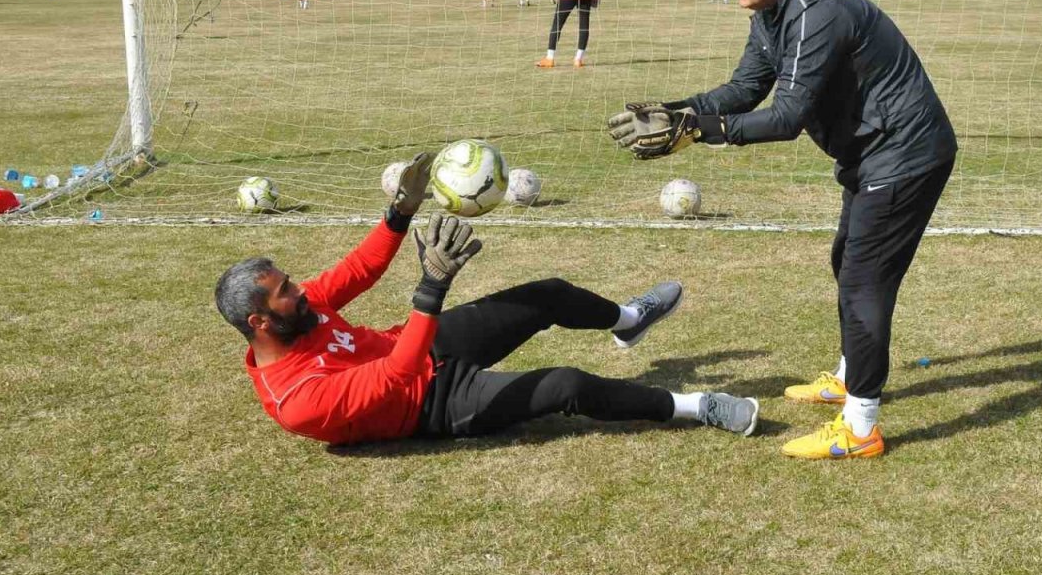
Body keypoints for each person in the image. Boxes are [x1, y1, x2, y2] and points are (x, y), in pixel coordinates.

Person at [607, 0, 957, 461]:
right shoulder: (774, 15)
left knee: (865, 281)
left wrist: (699, 130)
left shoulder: (821, 11)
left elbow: (787, 117)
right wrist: (675, 111)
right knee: (848, 262)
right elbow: (743, 91)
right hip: (872, 155)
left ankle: (861, 428)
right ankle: (848, 375)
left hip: (906, 156)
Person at [214, 154, 760, 447]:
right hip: (430, 406)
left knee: (546, 294)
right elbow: (395, 379)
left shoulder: (302, 313)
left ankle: (628, 320)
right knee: (565, 386)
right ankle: (695, 406)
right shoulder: (297, 401)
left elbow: (358, 270)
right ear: (260, 321)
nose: (302, 290)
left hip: (420, 346)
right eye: (287, 291)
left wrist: (399, 213)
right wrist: (432, 286)